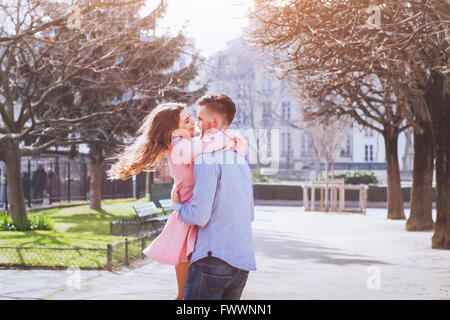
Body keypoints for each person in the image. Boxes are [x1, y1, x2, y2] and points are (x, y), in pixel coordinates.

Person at [106, 102, 245, 300]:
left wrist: (232, 141)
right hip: (188, 218)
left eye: (191, 118)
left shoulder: (187, 144)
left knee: (187, 293)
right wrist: (230, 136)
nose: (193, 123)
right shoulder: (180, 146)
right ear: (173, 130)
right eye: (186, 120)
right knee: (185, 295)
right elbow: (210, 144)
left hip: (192, 215)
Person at [171, 93, 256, 300]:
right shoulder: (240, 160)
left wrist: (177, 205)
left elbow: (199, 216)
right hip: (241, 263)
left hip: (212, 261)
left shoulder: (206, 159)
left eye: (199, 118)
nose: (196, 124)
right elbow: (250, 214)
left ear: (214, 121)